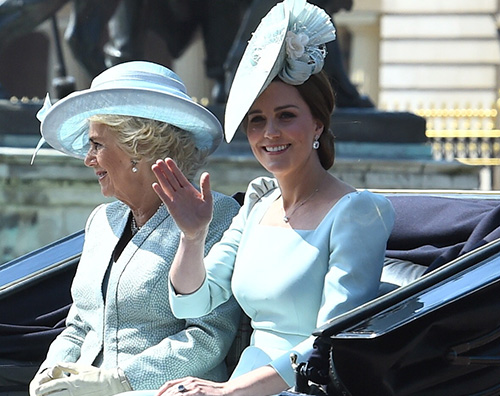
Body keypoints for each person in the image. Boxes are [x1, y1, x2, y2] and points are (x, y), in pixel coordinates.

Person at [149, 0, 395, 395]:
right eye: (257, 120)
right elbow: (192, 304)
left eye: (286, 116)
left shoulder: (356, 212)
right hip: (242, 385)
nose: (269, 134)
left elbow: (329, 345)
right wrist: (192, 237)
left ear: (317, 122)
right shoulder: (258, 205)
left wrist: (228, 391)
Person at [28, 61, 242, 396]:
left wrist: (118, 381)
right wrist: (49, 373)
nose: (88, 159)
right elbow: (79, 324)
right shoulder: (102, 221)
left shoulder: (216, 215)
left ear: (137, 149)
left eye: (97, 144)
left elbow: (208, 336)